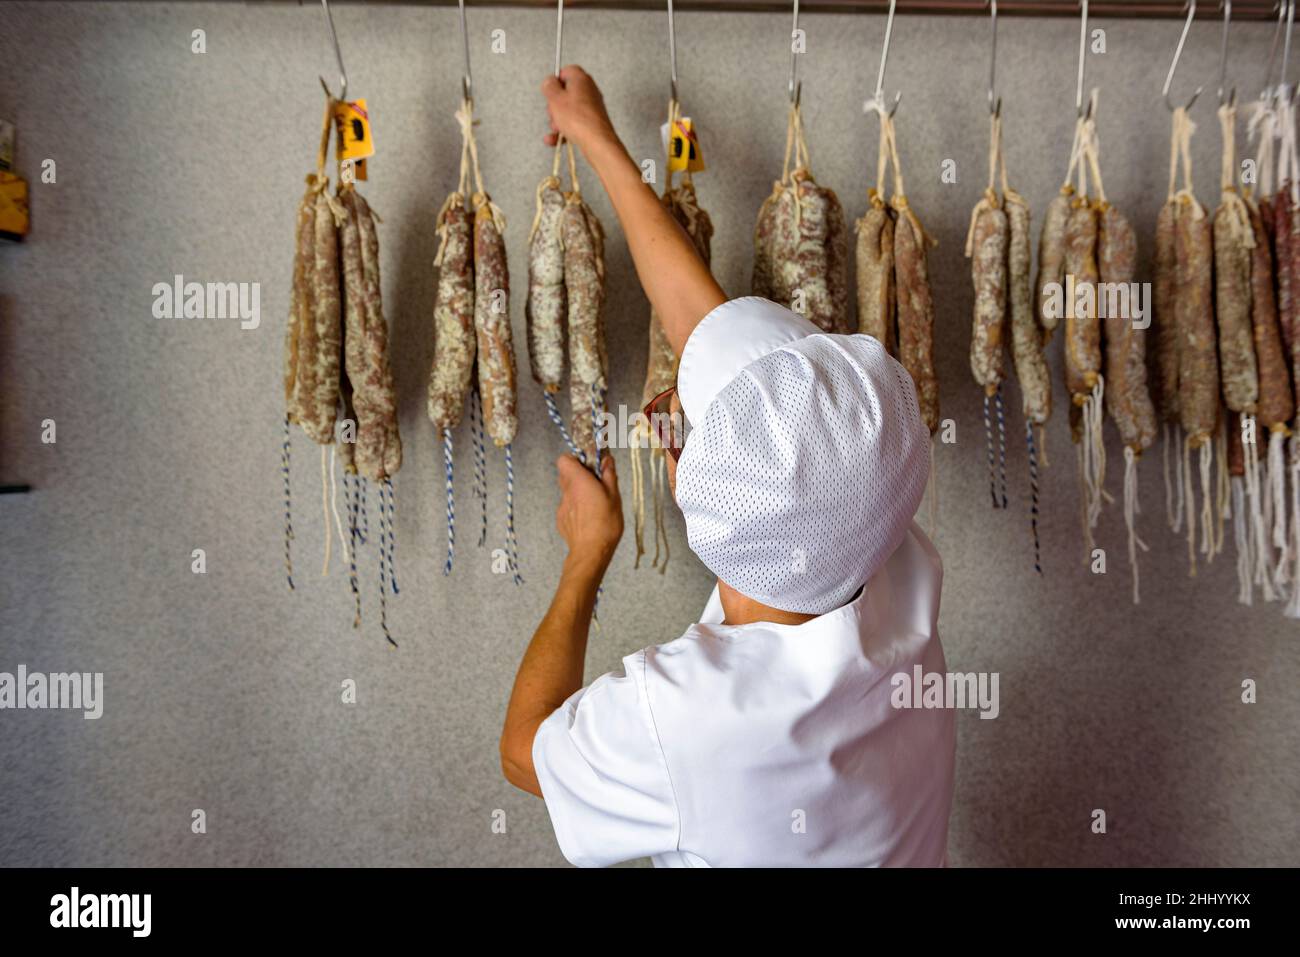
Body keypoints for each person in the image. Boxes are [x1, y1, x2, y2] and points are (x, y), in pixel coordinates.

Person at [500, 66, 955, 868]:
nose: (664, 409)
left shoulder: (687, 720)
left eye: (677, 418)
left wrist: (587, 554)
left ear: (686, 479)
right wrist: (599, 139)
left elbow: (526, 747)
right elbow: (702, 318)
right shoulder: (890, 573)